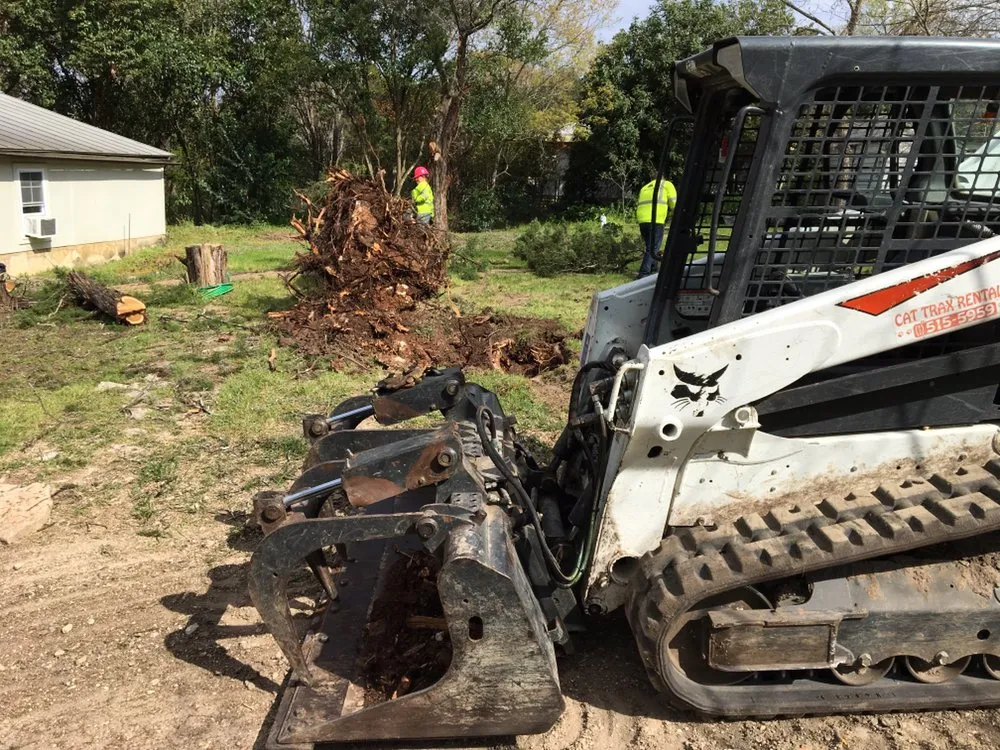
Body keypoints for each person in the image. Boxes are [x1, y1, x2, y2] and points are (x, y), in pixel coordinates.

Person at [635, 176, 677, 277]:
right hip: (656, 220)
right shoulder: (667, 185)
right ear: (664, 178)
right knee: (653, 248)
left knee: (650, 247)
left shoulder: (645, 187)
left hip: (642, 221)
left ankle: (653, 269)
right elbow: (674, 204)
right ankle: (643, 274)